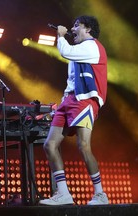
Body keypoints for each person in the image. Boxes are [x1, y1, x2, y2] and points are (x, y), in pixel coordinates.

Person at [39, 15, 108, 205]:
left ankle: (100, 194)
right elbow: (72, 80)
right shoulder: (78, 50)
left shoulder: (92, 46)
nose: (72, 28)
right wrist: (61, 102)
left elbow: (65, 51)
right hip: (69, 100)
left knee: (84, 146)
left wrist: (61, 36)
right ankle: (64, 194)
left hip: (85, 101)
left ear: (88, 30)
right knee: (49, 145)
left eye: (77, 25)